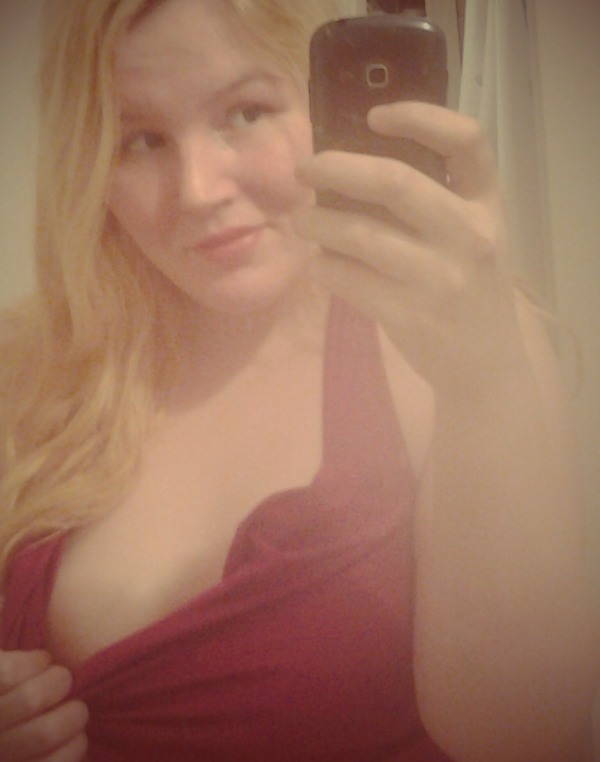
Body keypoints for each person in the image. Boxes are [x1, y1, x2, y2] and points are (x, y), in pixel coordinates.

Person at [0, 0, 597, 760]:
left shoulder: (452, 352)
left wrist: (485, 380)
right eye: (140, 139)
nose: (198, 190)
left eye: (245, 112)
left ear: (324, 103)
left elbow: (529, 739)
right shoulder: (32, 367)